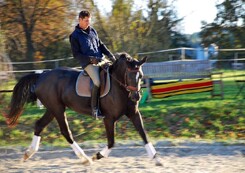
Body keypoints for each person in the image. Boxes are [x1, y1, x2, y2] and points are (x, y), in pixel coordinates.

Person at [69, 10, 116, 119]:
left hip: (101, 60)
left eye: (89, 21)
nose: (88, 23)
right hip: (88, 64)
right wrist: (90, 59)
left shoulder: (93, 31)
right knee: (97, 82)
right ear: (79, 20)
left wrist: (110, 55)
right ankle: (94, 109)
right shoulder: (74, 36)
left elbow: (101, 45)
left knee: (114, 73)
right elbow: (76, 54)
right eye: (85, 21)